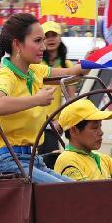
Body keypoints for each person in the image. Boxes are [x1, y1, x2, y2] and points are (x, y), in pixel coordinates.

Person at [0, 13, 85, 183]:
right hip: (9, 161)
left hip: (32, 159)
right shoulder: (5, 76)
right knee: (67, 191)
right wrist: (36, 100)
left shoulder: (35, 71)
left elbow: (71, 75)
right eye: (38, 41)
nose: (43, 47)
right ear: (17, 44)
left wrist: (92, 61)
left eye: (44, 40)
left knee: (76, 188)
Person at [39, 21, 73, 154]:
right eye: (47, 36)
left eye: (54, 35)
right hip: (33, 123)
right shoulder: (35, 63)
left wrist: (61, 121)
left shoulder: (67, 65)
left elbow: (71, 99)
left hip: (52, 126)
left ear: (60, 38)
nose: (51, 39)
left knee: (49, 163)